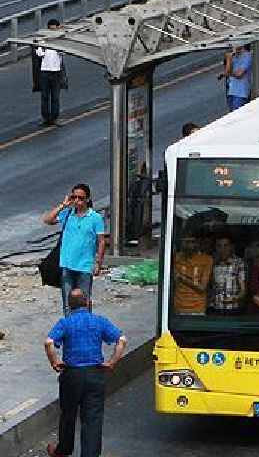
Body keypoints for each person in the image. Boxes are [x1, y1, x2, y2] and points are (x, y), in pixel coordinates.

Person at [44, 289, 126, 457]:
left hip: (72, 375)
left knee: (68, 414)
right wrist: (111, 362)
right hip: (95, 374)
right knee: (92, 419)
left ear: (69, 306)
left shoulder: (65, 323)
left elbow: (49, 342)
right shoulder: (99, 321)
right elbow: (122, 340)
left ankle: (63, 450)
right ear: (88, 303)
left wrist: (54, 361)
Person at [42, 184, 106, 314]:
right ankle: (70, 329)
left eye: (80, 198)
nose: (77, 201)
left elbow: (101, 241)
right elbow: (48, 220)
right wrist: (63, 205)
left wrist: (98, 263)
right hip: (67, 264)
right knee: (67, 303)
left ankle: (85, 329)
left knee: (84, 301)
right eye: (74, 197)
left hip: (85, 266)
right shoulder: (68, 214)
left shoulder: (95, 218)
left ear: (87, 199)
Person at [33, 20, 68, 127]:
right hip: (45, 71)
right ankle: (46, 118)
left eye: (54, 28)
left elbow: (64, 52)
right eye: (51, 28)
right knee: (44, 97)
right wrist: (42, 47)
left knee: (55, 97)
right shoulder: (43, 40)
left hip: (56, 72)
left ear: (57, 28)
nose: (52, 30)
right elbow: (39, 53)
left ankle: (54, 118)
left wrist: (58, 47)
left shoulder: (60, 40)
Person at [172, 237, 213, 315]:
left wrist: (181, 278)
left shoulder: (207, 259)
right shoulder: (175, 258)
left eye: (192, 242)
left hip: (198, 308)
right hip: (179, 306)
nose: (189, 245)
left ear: (197, 243)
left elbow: (202, 287)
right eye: (186, 242)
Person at [208, 237, 246, 315]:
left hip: (232, 308)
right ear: (216, 248)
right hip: (215, 308)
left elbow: (243, 291)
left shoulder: (238, 263)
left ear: (231, 247)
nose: (223, 249)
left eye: (226, 245)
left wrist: (234, 298)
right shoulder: (212, 263)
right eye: (219, 246)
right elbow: (209, 286)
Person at [219, 45, 252, 111]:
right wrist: (229, 60)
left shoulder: (247, 56)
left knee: (237, 114)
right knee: (231, 113)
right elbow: (227, 71)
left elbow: (239, 74)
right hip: (231, 91)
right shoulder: (233, 56)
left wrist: (227, 73)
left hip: (241, 93)